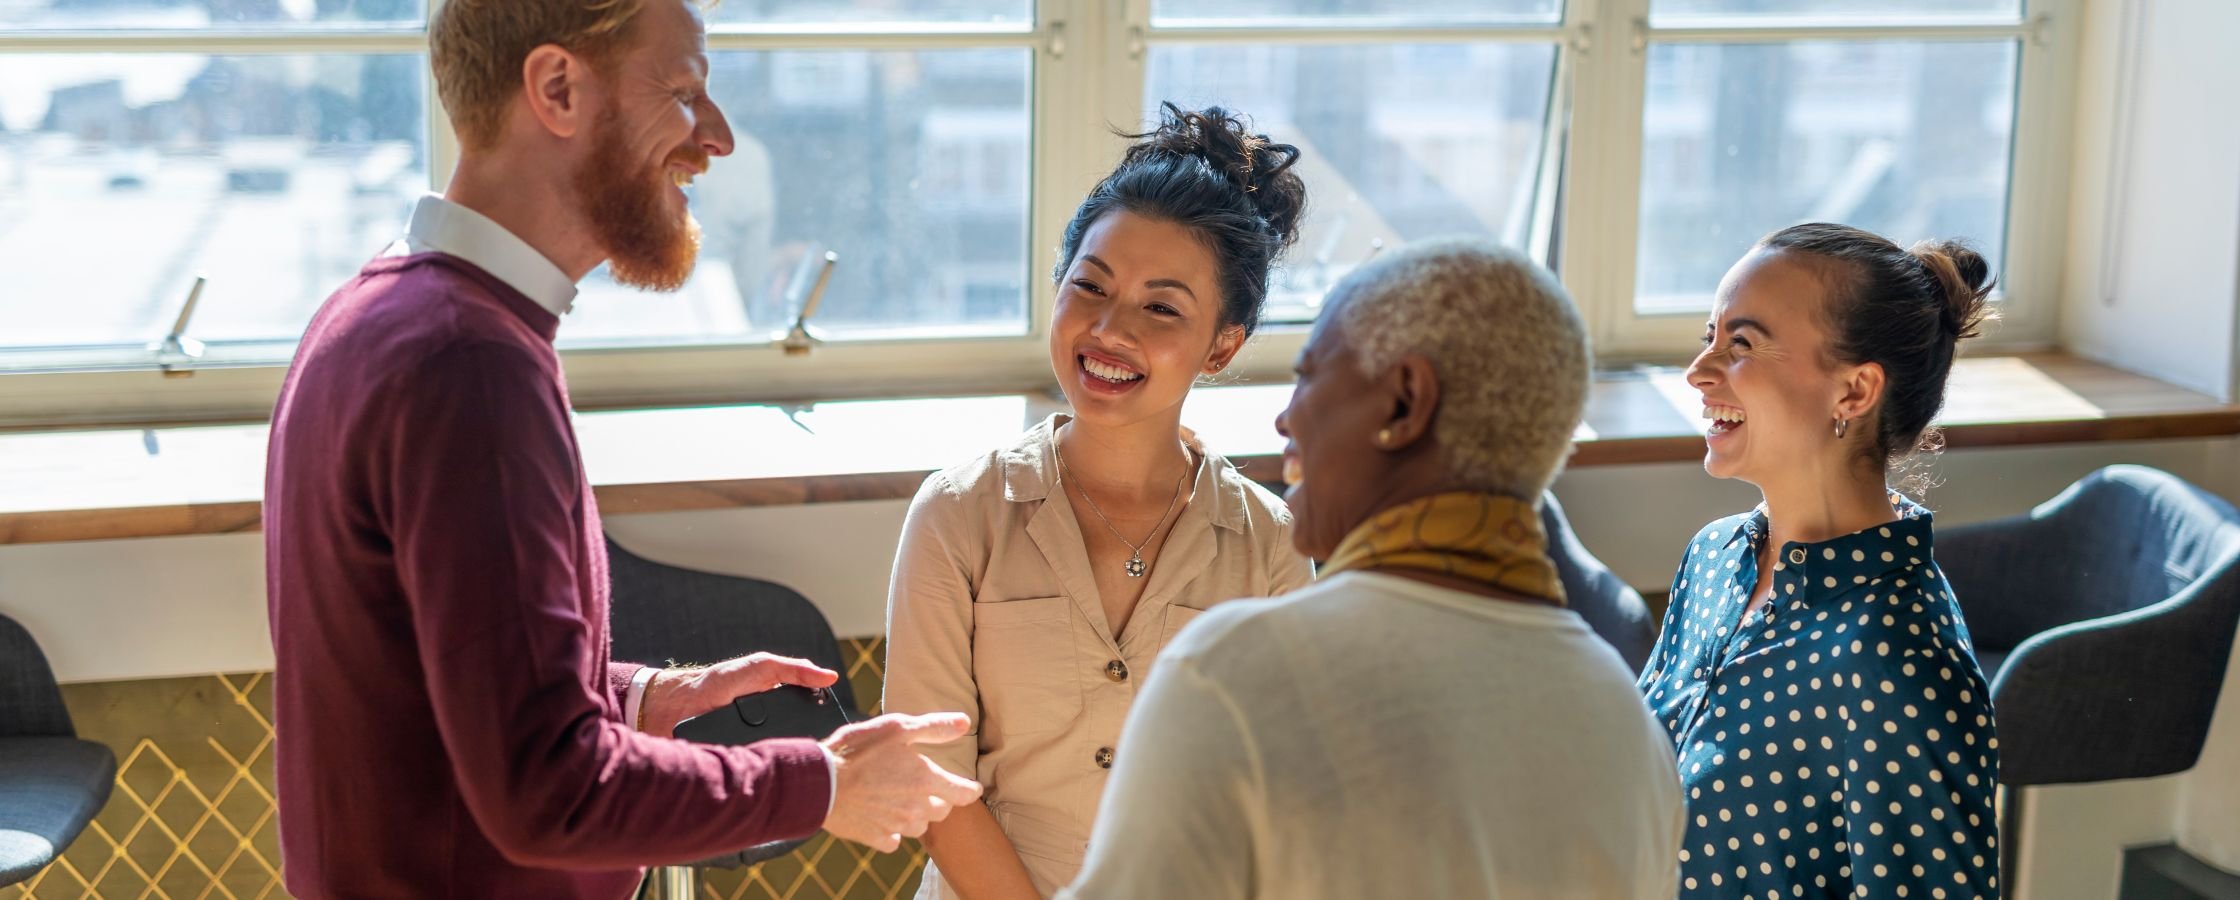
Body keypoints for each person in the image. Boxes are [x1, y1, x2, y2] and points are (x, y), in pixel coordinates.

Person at [263, 1, 979, 896]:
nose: (714, 138)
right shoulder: (469, 367)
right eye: (683, 91)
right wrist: (826, 785)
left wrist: (639, 698)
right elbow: (548, 793)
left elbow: (444, 675)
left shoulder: (380, 310)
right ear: (558, 89)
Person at [1060, 238, 1685, 900]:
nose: (1285, 417)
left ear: (1403, 403)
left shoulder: (1239, 677)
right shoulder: (1631, 731)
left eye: (1310, 376)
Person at [881, 104, 1316, 900]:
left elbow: (1281, 800)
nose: (1109, 330)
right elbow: (931, 782)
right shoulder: (957, 514)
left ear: (1223, 343)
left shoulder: (1273, 546)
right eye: (1090, 286)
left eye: (1161, 308)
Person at [1638, 222, 2002, 898]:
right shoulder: (1713, 560)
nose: (1699, 371)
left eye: (1740, 344)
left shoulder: (1899, 661)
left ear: (1855, 393)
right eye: (1708, 338)